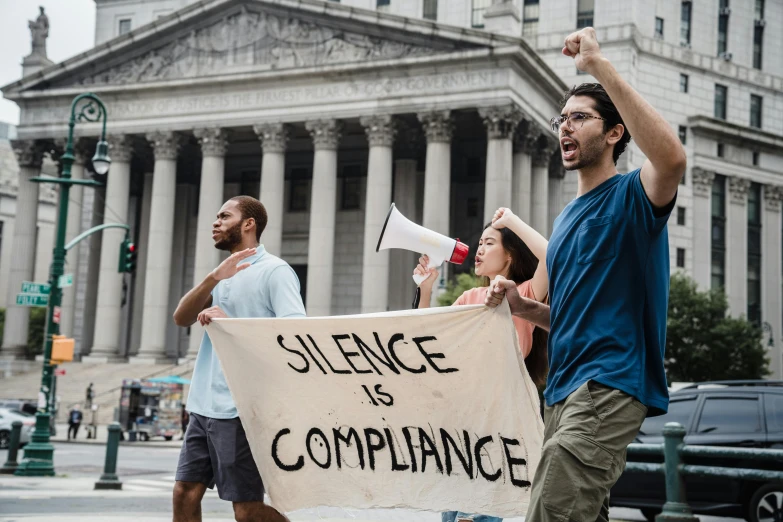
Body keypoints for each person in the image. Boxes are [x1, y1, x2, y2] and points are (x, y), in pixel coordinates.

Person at [485, 27, 686, 522]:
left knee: (551, 507)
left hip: (609, 383)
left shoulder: (634, 195)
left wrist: (597, 66)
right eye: (562, 119)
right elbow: (569, 315)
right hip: (561, 391)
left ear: (614, 133)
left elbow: (673, 158)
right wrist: (522, 305)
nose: (564, 128)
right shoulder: (566, 218)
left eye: (579, 118)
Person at [172, 195, 305, 522]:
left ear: (249, 224)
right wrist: (213, 278)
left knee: (246, 509)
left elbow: (295, 333)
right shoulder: (221, 273)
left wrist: (233, 326)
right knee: (184, 493)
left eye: (224, 216)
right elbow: (180, 318)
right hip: (203, 404)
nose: (215, 223)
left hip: (241, 408)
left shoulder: (275, 271)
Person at [414, 207, 549, 522]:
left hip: (499, 424)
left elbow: (551, 255)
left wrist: (509, 220)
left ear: (510, 255)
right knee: (453, 514)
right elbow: (428, 345)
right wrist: (426, 290)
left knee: (475, 516)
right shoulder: (468, 297)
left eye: (489, 243)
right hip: (460, 423)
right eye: (479, 244)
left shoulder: (525, 293)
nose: (479, 250)